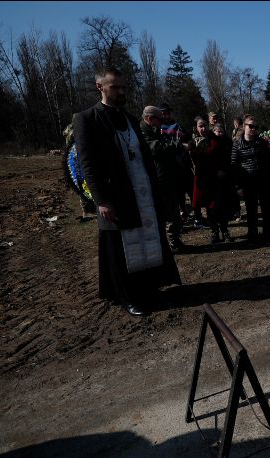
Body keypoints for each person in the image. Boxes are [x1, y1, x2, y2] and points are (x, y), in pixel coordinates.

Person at [73, 67, 180, 317]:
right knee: (122, 248)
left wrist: (156, 192)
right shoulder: (87, 118)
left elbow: (144, 157)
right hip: (115, 196)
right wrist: (101, 200)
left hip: (142, 193)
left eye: (123, 87)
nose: (121, 91)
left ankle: (148, 289)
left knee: (146, 240)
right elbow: (87, 164)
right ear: (100, 87)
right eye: (115, 87)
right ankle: (127, 296)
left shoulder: (131, 120)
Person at [139, 105, 185, 252]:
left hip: (166, 177)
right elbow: (156, 148)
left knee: (173, 213)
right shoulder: (142, 132)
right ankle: (168, 244)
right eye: (159, 119)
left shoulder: (154, 130)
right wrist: (178, 145)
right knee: (165, 215)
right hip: (156, 180)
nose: (162, 121)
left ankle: (174, 241)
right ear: (149, 118)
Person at [231, 114, 270, 243]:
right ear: (244, 126)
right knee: (251, 210)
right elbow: (234, 165)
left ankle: (268, 233)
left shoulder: (261, 142)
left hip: (263, 180)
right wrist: (238, 186)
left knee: (266, 208)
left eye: (255, 126)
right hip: (248, 182)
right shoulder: (237, 144)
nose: (253, 129)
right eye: (251, 126)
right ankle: (253, 234)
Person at [188, 116, 233, 243]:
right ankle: (214, 231)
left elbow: (225, 158)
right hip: (203, 180)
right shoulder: (192, 143)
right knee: (209, 208)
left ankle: (225, 231)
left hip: (218, 179)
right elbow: (192, 162)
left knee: (221, 206)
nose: (203, 128)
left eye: (205, 126)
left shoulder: (217, 140)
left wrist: (223, 172)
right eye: (200, 126)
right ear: (196, 128)